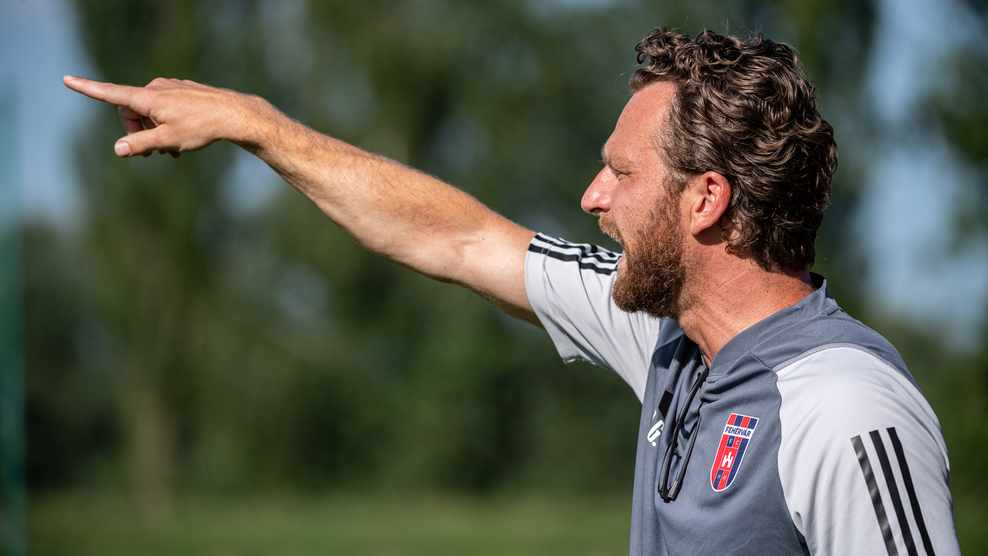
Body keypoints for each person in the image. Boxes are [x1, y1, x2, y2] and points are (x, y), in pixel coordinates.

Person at [64, 27, 960, 556]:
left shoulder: (845, 409)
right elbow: (458, 238)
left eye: (621, 174)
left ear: (706, 200)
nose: (592, 197)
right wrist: (256, 125)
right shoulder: (666, 334)